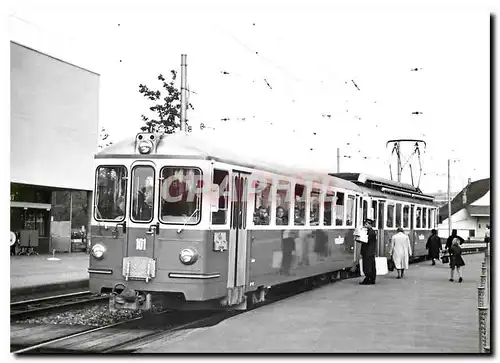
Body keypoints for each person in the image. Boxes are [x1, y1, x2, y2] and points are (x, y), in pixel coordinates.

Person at [360, 218, 377, 285]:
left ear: (369, 224)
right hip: (370, 252)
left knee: (367, 266)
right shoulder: (371, 231)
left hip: (367, 252)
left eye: (366, 224)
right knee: (371, 266)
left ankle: (368, 279)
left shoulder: (370, 232)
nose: (365, 225)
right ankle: (371, 279)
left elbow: (365, 240)